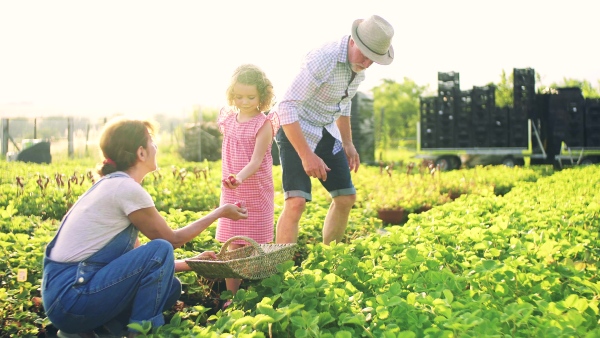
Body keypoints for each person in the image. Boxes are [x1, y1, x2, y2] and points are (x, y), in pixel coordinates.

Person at [41, 117, 248, 338]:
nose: (156, 147)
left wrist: (194, 263)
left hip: (64, 297)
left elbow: (138, 263)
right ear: (141, 153)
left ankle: (92, 331)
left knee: (170, 289)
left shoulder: (112, 185)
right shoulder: (125, 188)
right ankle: (140, 333)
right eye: (152, 141)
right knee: (161, 248)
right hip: (72, 296)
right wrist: (220, 212)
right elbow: (171, 241)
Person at [272, 15, 394, 245]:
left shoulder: (358, 69)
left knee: (346, 197)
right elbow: (286, 107)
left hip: (326, 130)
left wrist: (347, 143)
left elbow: (344, 103)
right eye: (365, 56)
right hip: (295, 128)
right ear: (353, 41)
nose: (367, 64)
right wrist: (306, 155)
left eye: (373, 60)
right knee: (296, 202)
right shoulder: (323, 59)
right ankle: (280, 271)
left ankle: (330, 257)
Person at [216, 64, 279, 306]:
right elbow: (230, 153)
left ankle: (256, 296)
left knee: (254, 245)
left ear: (262, 96)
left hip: (255, 188)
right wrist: (232, 180)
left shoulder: (263, 124)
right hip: (232, 188)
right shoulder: (228, 120)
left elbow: (256, 160)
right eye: (239, 96)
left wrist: (239, 177)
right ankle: (233, 297)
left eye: (251, 97)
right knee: (233, 245)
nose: (244, 101)